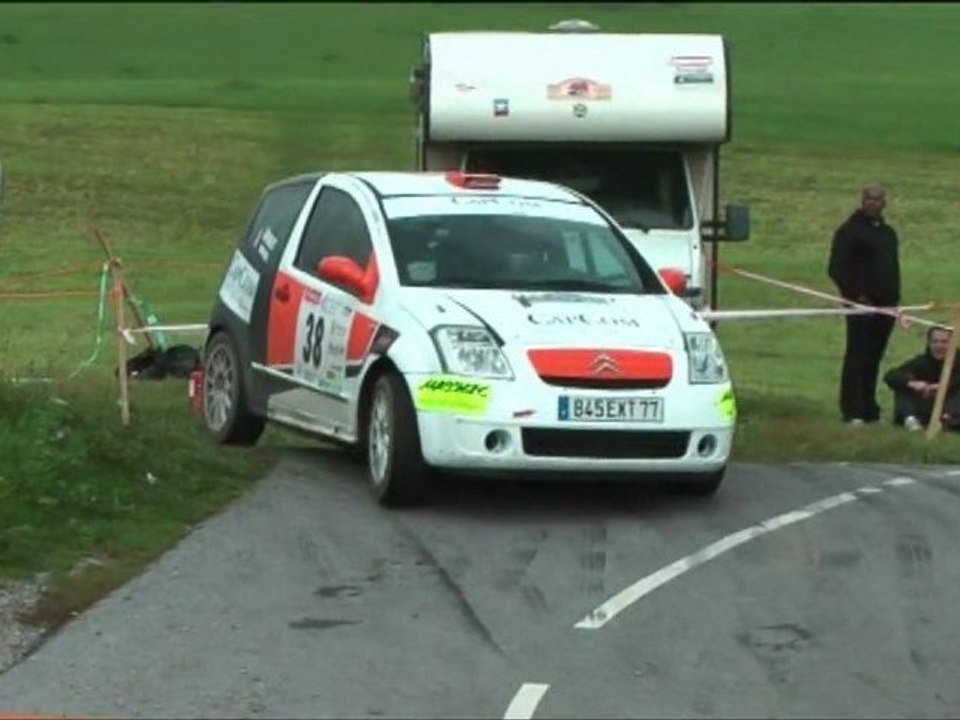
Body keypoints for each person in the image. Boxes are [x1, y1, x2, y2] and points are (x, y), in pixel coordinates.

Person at [827, 184, 901, 425]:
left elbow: (892, 268)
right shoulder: (849, 231)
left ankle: (869, 409)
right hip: (861, 305)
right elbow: (836, 268)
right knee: (857, 355)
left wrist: (894, 299)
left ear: (884, 203)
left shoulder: (888, 233)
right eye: (868, 198)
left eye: (877, 199)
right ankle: (852, 410)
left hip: (886, 306)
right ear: (862, 201)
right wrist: (856, 295)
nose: (872, 203)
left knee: (874, 357)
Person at [883, 325, 960, 431]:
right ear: (929, 343)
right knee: (902, 385)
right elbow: (891, 375)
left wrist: (942, 387)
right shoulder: (922, 361)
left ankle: (948, 420)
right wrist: (913, 384)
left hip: (952, 404)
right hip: (928, 404)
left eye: (944, 342)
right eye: (935, 342)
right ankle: (911, 420)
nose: (939, 346)